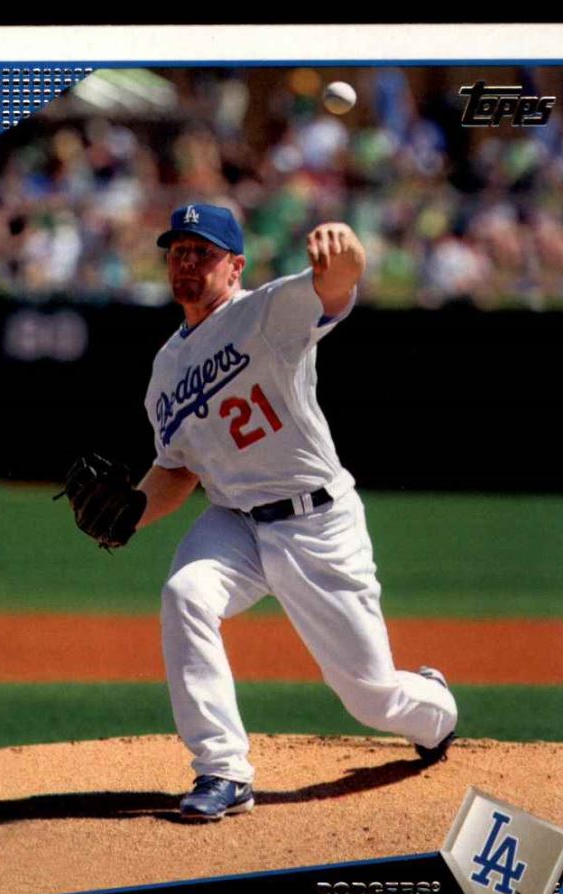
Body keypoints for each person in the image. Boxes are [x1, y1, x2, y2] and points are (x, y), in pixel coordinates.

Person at [135, 202, 457, 820]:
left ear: (235, 267)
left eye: (202, 252)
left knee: (370, 696)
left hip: (316, 523)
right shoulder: (166, 368)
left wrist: (346, 246)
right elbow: (178, 468)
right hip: (234, 521)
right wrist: (130, 514)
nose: (187, 262)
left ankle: (435, 705)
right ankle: (223, 769)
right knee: (185, 594)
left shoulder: (265, 312)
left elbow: (337, 284)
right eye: (178, 252)